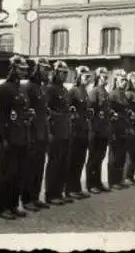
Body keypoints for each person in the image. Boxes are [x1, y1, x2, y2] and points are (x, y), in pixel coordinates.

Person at [0, 55, 32, 220]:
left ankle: (13, 204)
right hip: (8, 138)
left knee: (19, 173)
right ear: (13, 69)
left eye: (25, 69)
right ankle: (3, 207)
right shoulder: (4, 88)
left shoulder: (20, 89)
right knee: (7, 173)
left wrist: (28, 114)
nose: (23, 72)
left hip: (21, 136)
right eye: (20, 69)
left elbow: (21, 111)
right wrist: (2, 138)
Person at [22, 58, 52, 212]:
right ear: (36, 69)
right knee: (30, 168)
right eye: (44, 69)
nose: (47, 72)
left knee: (39, 167)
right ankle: (27, 199)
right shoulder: (29, 87)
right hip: (32, 134)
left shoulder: (41, 88)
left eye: (47, 69)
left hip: (42, 133)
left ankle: (35, 197)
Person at [44, 61, 74, 205]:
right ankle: (51, 194)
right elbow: (47, 112)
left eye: (65, 73)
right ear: (55, 73)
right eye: (61, 72)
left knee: (64, 162)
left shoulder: (64, 90)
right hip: (55, 130)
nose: (64, 75)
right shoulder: (50, 89)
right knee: (54, 163)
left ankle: (59, 192)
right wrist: (50, 131)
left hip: (65, 130)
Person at [65, 66, 93, 199]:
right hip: (75, 131)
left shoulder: (85, 92)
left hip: (84, 130)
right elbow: (69, 111)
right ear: (78, 77)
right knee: (73, 161)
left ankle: (76, 187)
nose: (87, 79)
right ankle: (70, 189)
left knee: (80, 161)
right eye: (85, 77)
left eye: (89, 77)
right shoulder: (73, 91)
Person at [86, 67, 112, 193]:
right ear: (97, 77)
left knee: (100, 157)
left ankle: (98, 182)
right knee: (93, 158)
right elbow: (91, 113)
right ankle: (91, 184)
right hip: (95, 130)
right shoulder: (94, 92)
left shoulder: (105, 93)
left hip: (104, 130)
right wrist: (94, 129)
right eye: (103, 77)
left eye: (107, 77)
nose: (105, 79)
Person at [107, 69, 131, 190]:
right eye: (122, 80)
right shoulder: (113, 94)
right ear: (116, 81)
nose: (124, 82)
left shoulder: (123, 94)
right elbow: (109, 111)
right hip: (115, 129)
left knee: (121, 156)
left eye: (126, 80)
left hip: (123, 128)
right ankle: (113, 181)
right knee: (114, 156)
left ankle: (119, 179)